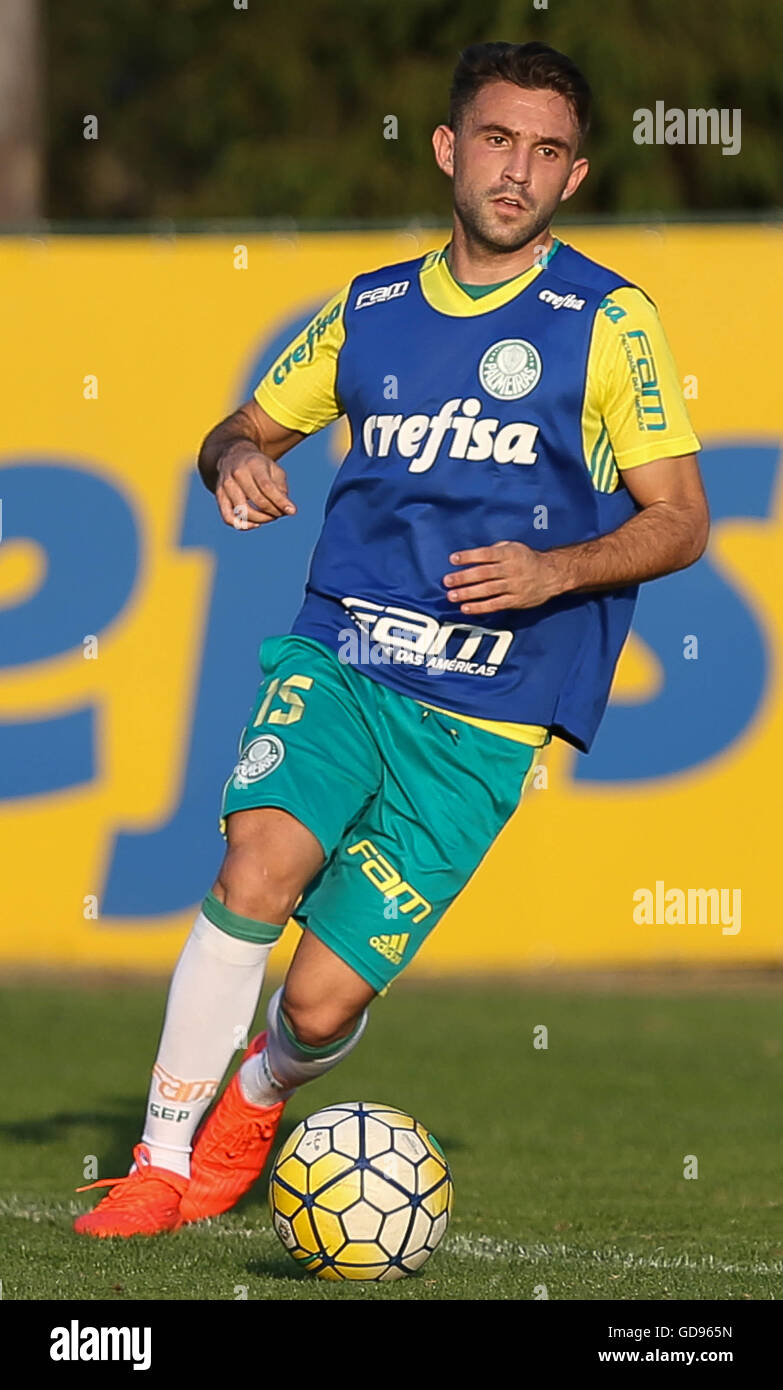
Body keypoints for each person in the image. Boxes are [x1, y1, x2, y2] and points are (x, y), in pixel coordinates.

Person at [75, 39, 708, 1237]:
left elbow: (679, 520)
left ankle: (258, 1094)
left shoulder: (610, 322)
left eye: (547, 151)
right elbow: (239, 427)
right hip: (346, 662)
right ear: (447, 148)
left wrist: (555, 567)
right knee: (256, 861)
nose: (517, 171)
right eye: (497, 140)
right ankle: (159, 1165)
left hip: (482, 721)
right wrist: (241, 456)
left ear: (574, 179)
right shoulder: (367, 310)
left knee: (315, 1006)